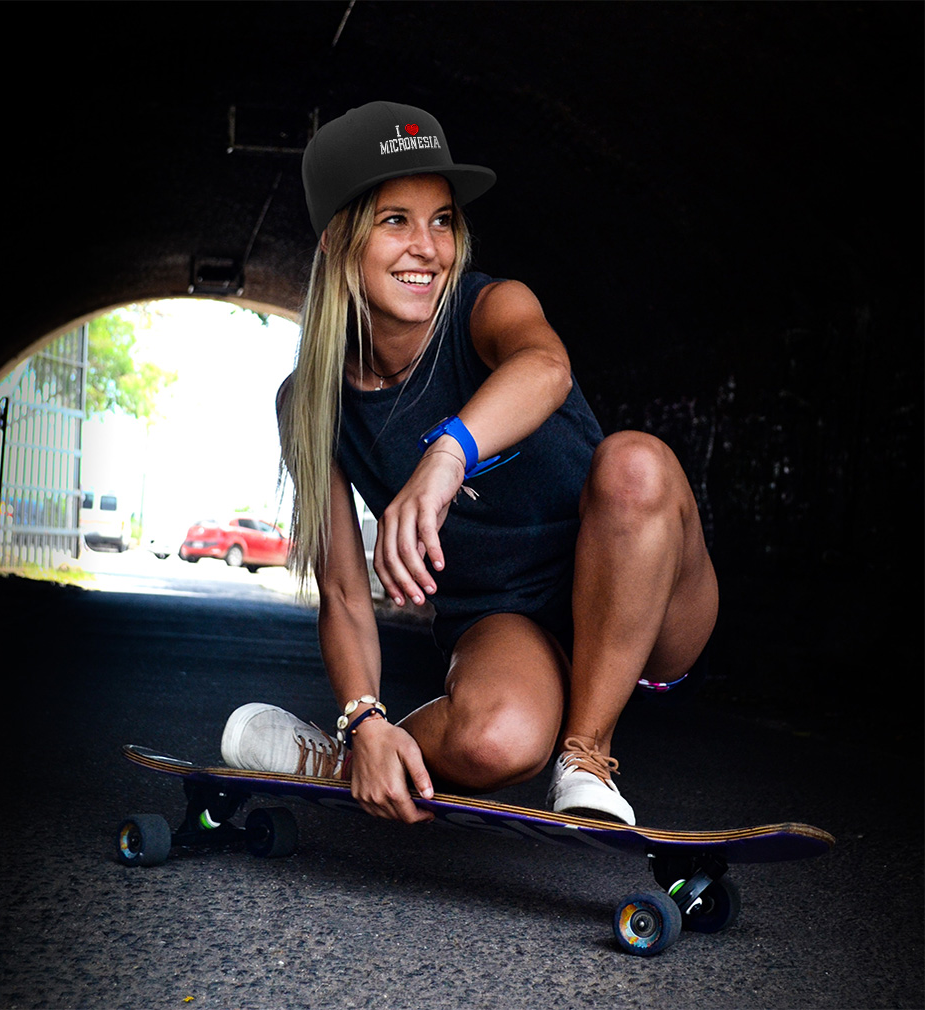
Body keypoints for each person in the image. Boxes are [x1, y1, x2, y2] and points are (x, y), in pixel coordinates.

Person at [221, 101, 718, 827]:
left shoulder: (489, 308)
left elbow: (546, 367)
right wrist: (364, 720)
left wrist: (447, 454)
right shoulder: (310, 402)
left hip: (642, 590)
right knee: (495, 739)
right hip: (507, 616)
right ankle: (348, 761)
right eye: (396, 220)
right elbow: (345, 591)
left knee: (635, 463)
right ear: (336, 238)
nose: (428, 247)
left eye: (443, 220)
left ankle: (586, 757)